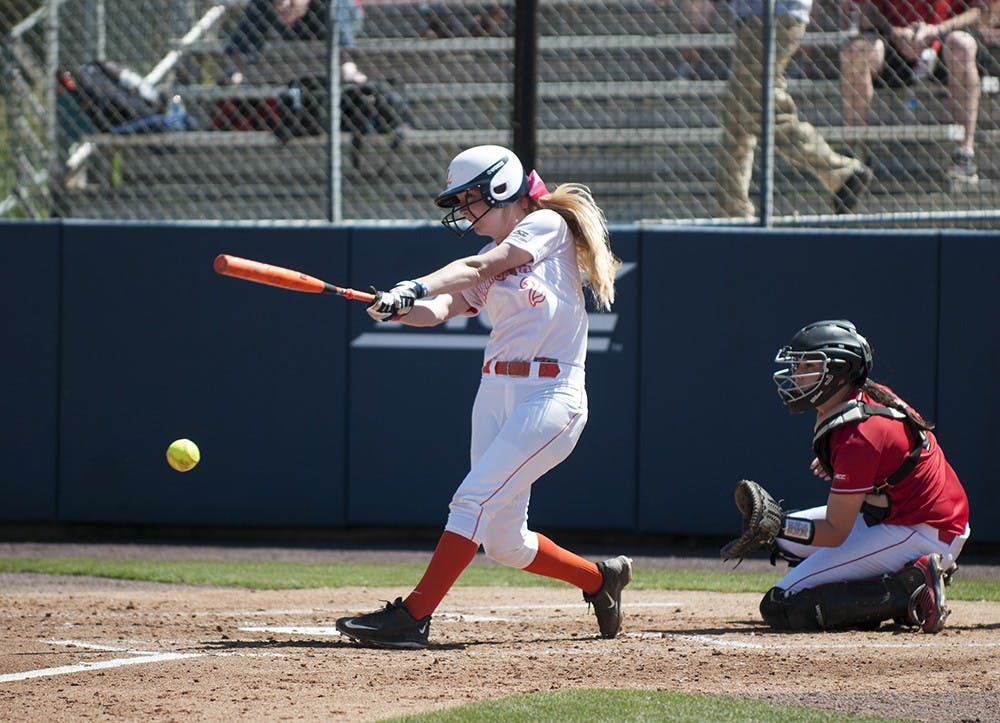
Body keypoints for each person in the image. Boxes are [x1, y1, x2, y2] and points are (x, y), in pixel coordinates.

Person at [334, 145, 632, 649]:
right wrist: (400, 309)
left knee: (470, 499)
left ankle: (414, 616)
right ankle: (601, 581)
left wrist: (413, 284)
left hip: (552, 395)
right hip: (496, 392)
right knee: (504, 542)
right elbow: (446, 305)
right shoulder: (497, 258)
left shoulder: (545, 226)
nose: (464, 209)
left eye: (470, 198)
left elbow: (478, 265)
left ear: (501, 188)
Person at [752, 319, 970, 633]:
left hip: (925, 530)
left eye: (808, 364)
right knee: (782, 541)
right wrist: (779, 530)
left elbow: (835, 531)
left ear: (839, 372)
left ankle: (910, 585)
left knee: (782, 604)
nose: (797, 373)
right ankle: (902, 572)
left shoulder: (859, 435)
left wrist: (781, 523)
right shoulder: (866, 397)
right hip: (905, 514)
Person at [716, 0, 873, 217]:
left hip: (772, 15)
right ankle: (732, 209)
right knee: (737, 112)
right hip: (760, 16)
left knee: (757, 107)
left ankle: (841, 171)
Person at [839, 1, 989, 183]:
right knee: (854, 51)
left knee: (962, 44)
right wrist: (894, 32)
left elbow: (979, 11)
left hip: (945, 38)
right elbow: (867, 9)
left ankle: (964, 154)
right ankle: (855, 155)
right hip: (896, 40)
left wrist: (938, 30)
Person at [220, 0, 367, 86]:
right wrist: (283, 6)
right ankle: (237, 66)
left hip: (339, 15)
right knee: (259, 3)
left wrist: (295, 5)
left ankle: (348, 64)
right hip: (293, 22)